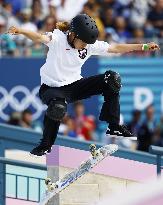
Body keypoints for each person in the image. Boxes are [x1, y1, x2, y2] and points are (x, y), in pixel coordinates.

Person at [7, 14, 160, 156]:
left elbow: (115, 48)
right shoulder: (57, 38)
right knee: (58, 109)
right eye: (83, 42)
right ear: (73, 35)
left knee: (112, 79)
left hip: (75, 86)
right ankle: (46, 145)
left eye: (87, 43)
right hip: (52, 89)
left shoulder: (88, 45)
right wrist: (20, 30)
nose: (85, 46)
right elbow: (39, 37)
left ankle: (114, 126)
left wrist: (144, 46)